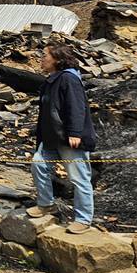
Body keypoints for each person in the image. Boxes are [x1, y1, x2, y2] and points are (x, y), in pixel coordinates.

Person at [28, 44, 98, 234]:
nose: (41, 58)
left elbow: (76, 106)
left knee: (78, 178)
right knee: (39, 165)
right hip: (52, 138)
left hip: (69, 139)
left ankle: (83, 219)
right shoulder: (52, 80)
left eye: (45, 55)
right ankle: (46, 204)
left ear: (58, 59)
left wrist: (75, 132)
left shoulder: (69, 79)